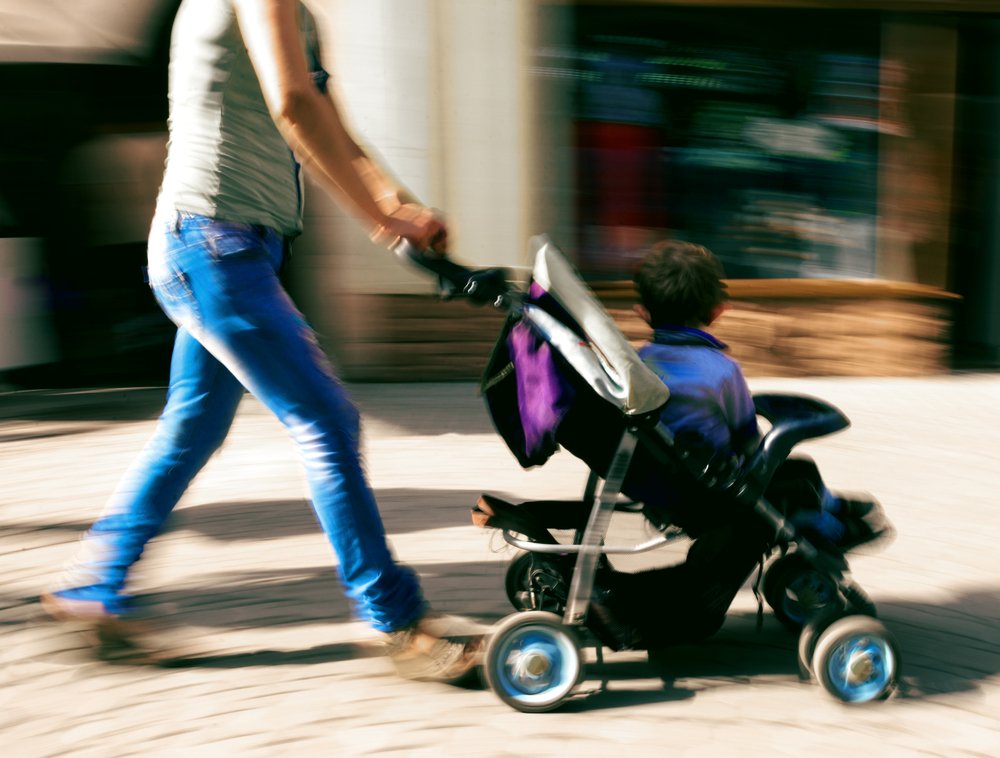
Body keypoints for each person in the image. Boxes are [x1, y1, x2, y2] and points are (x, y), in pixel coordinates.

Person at [41, 0, 479, 682]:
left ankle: (92, 589)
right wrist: (380, 220)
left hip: (232, 247)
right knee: (327, 420)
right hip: (214, 245)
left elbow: (328, 118)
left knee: (192, 428)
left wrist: (401, 205)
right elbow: (294, 106)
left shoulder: (296, 12)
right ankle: (394, 620)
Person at [596, 239, 890, 648]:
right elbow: (747, 438)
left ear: (642, 312)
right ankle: (828, 522)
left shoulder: (640, 366)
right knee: (795, 472)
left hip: (668, 483)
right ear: (718, 310)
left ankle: (829, 509)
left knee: (794, 474)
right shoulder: (720, 369)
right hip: (719, 491)